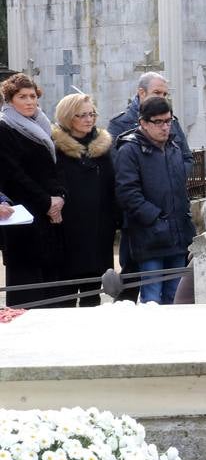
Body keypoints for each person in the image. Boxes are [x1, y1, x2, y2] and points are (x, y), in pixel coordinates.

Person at [109, 71, 192, 303]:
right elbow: (128, 192)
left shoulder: (173, 148)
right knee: (152, 297)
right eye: (158, 122)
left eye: (168, 121)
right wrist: (156, 219)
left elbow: (179, 185)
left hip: (177, 235)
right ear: (143, 123)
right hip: (150, 235)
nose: (165, 127)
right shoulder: (129, 149)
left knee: (176, 296)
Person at [0, 73, 65, 307]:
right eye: (22, 97)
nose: (30, 101)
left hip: (49, 218)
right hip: (23, 219)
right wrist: (47, 203)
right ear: (9, 100)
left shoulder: (41, 124)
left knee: (52, 290)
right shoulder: (4, 128)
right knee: (28, 291)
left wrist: (59, 198)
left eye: (32, 96)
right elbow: (13, 175)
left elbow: (52, 168)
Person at [50, 94, 117, 307]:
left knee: (92, 294)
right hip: (68, 230)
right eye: (82, 115)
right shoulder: (56, 149)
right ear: (68, 117)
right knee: (66, 295)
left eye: (92, 114)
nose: (89, 119)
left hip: (98, 229)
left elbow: (111, 186)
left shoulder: (102, 147)